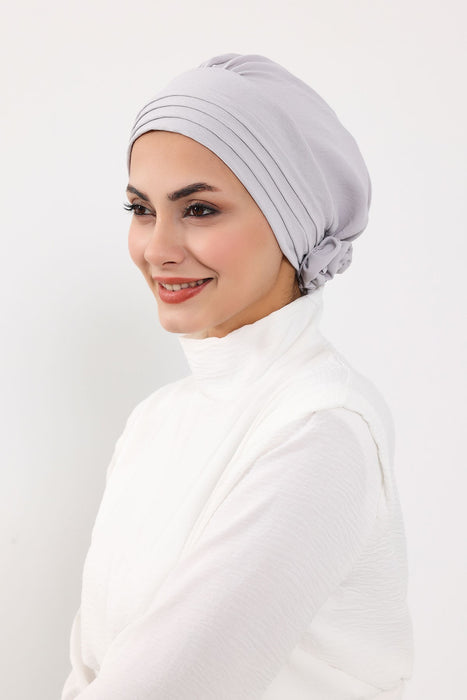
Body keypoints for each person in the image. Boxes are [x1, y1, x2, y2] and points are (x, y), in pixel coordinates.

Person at [61, 53, 413, 699]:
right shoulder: (155, 420)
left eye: (199, 210)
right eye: (140, 208)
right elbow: (90, 666)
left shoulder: (318, 429)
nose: (157, 248)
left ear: (291, 221)